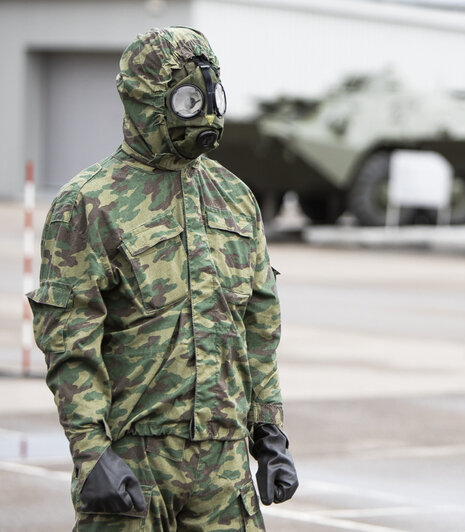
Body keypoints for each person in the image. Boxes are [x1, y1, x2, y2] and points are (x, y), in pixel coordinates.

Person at [27, 27, 298, 531]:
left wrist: (270, 435)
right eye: (189, 99)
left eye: (211, 97)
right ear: (146, 100)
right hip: (132, 464)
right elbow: (69, 342)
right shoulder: (89, 203)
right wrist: (91, 454)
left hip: (223, 472)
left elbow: (260, 328)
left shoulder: (235, 198)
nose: (208, 115)